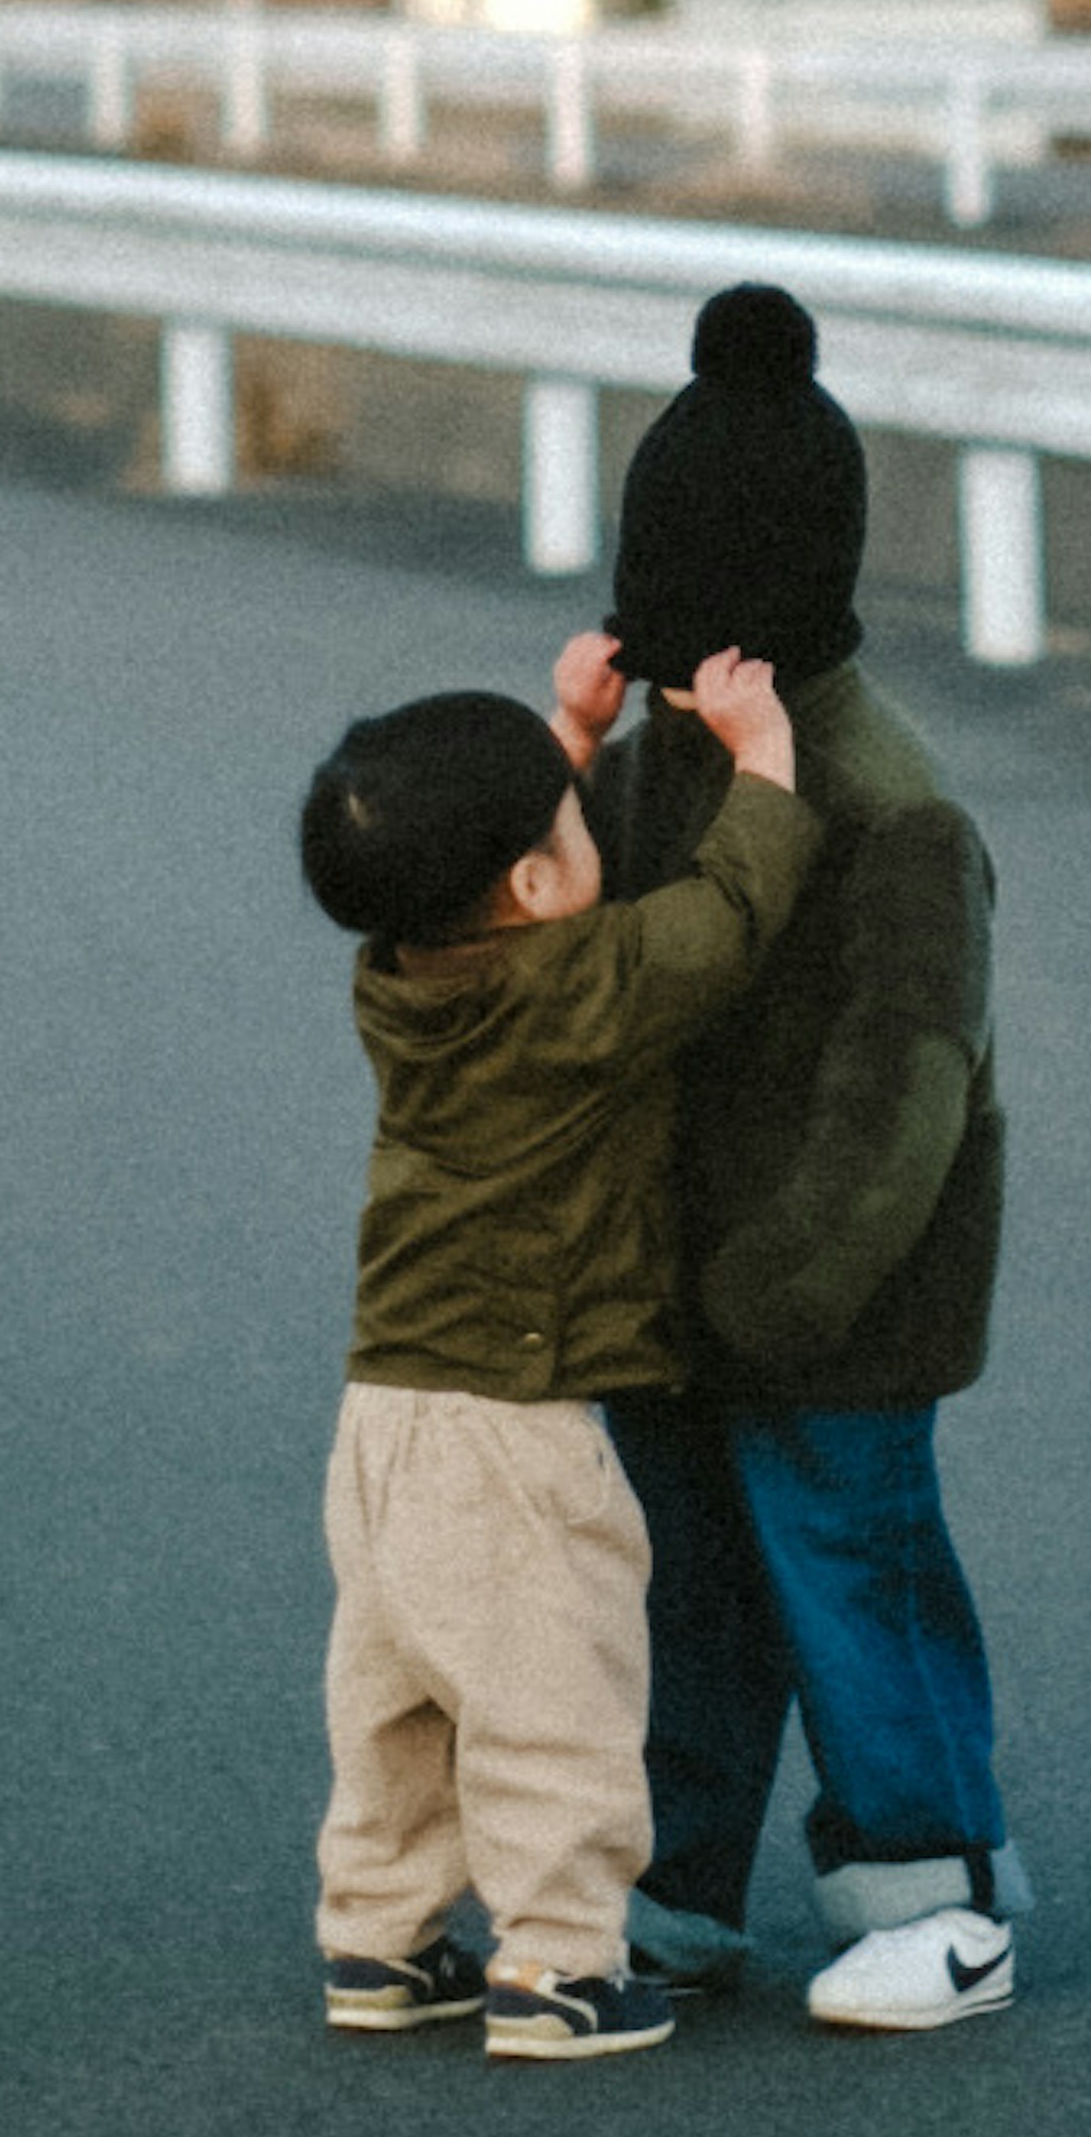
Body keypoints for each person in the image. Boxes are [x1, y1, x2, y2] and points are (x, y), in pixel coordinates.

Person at [575, 281, 1026, 2037]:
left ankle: (944, 1887)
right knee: (683, 1584)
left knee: (858, 1571)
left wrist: (786, 1283)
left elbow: (905, 1088)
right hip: (681, 1286)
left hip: (840, 1302)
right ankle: (673, 1887)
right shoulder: (662, 763)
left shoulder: (894, 808)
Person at [295, 638, 815, 2058]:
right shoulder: (577, 991)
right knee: (556, 1695)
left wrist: (563, 739)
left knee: (395, 1698)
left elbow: (480, 863)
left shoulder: (399, 984)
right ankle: (562, 1966)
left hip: (383, 1415)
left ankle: (381, 1939)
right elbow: (726, 916)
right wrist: (761, 752)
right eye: (572, 827)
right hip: (512, 1425)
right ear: (535, 886)